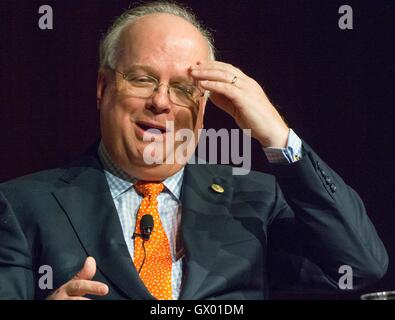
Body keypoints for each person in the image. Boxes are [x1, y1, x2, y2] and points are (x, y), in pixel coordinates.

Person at [0, 1, 388, 300]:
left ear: (202, 108)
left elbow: (359, 265)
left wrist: (277, 134)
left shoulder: (256, 201)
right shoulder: (21, 206)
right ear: (103, 88)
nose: (161, 102)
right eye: (143, 79)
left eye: (184, 89)